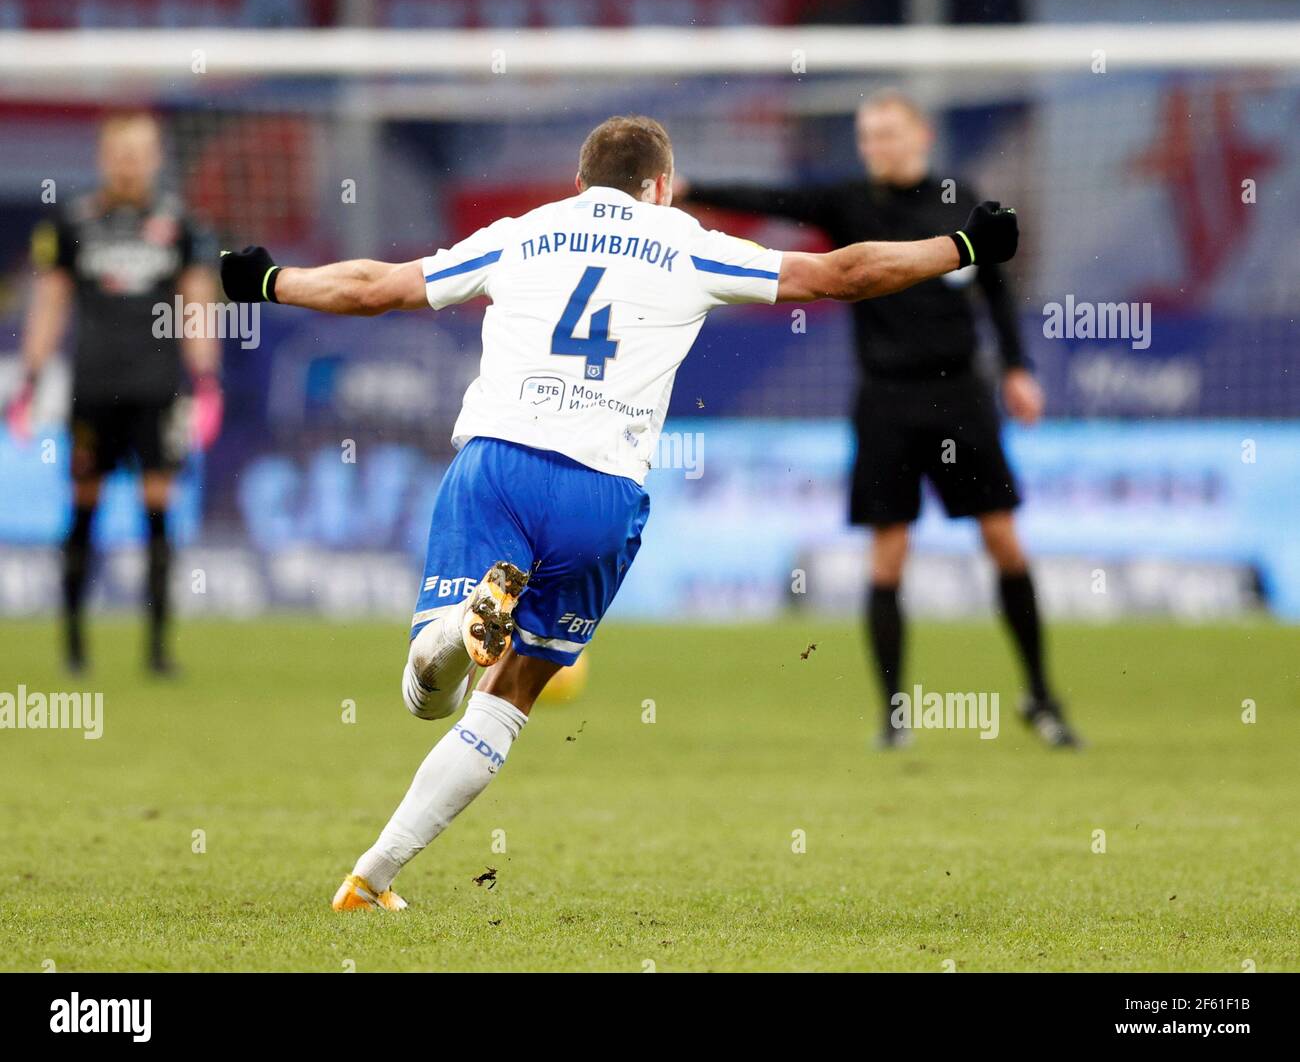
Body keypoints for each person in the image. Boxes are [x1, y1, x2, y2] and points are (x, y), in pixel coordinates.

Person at [218, 114, 1019, 911]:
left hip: (499, 463)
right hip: (601, 493)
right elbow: (842, 273)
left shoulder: (523, 232)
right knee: (510, 697)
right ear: (660, 187)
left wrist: (268, 281)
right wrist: (964, 248)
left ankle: (452, 632)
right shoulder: (686, 240)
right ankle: (374, 875)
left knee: (425, 696)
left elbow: (375, 288)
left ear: (578, 182)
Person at [679, 90, 1079, 749]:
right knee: (888, 556)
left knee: (1004, 541)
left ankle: (1040, 696)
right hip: (887, 401)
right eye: (867, 137)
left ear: (920, 134)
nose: (877, 147)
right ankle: (895, 716)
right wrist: (692, 188)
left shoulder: (959, 199)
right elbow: (772, 199)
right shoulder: (849, 203)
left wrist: (1015, 367)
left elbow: (997, 289)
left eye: (888, 134)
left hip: (962, 398)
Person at [6, 112, 222, 677]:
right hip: (93, 389)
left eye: (141, 151)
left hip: (157, 390)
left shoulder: (181, 225)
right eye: (120, 151)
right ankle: (74, 649)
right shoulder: (73, 221)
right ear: (104, 158)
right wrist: (30, 379)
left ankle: (157, 650)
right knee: (82, 509)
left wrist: (205, 380)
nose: (130, 162)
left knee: (157, 511)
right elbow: (49, 304)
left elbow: (199, 303)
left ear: (156, 158)